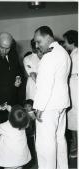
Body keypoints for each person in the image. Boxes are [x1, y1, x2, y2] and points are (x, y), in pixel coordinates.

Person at [33, 26, 71, 169]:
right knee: (59, 139)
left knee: (45, 145)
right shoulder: (63, 52)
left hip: (48, 105)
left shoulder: (49, 57)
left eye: (38, 41)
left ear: (48, 37)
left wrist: (39, 107)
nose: (37, 45)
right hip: (61, 104)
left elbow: (44, 85)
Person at [0, 105, 31, 169]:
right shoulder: (23, 125)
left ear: (10, 117)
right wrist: (10, 109)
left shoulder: (5, 126)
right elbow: (18, 116)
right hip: (21, 157)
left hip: (9, 159)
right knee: (19, 167)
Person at [63, 30, 78, 158]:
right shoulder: (72, 54)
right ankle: (75, 145)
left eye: (66, 42)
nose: (65, 45)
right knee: (73, 118)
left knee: (76, 118)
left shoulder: (77, 54)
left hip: (76, 89)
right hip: (72, 88)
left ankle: (76, 147)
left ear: (72, 41)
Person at [23, 99, 36, 166]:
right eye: (26, 106)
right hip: (24, 135)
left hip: (30, 135)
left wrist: (32, 116)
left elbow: (35, 121)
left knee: (31, 149)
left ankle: (32, 162)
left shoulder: (34, 114)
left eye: (29, 106)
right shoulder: (23, 114)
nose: (27, 108)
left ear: (32, 107)